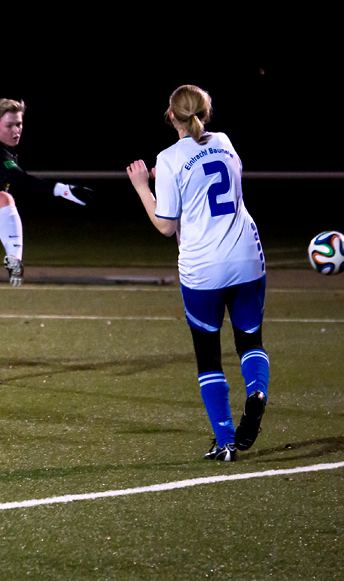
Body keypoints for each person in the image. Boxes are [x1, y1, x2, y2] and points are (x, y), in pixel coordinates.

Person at [126, 85, 270, 462]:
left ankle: (225, 441)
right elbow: (210, 176)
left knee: (208, 355)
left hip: (203, 269)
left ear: (170, 116)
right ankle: (257, 391)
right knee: (250, 341)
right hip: (246, 258)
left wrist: (144, 186)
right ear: (206, 113)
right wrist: (170, 175)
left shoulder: (170, 157)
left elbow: (166, 226)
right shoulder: (224, 140)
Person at [0, 98, 93, 384]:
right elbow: (20, 178)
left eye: (19, 124)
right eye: (10, 125)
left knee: (4, 198)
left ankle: (14, 258)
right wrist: (64, 190)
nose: (17, 130)